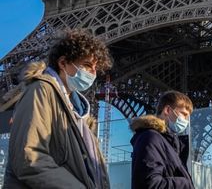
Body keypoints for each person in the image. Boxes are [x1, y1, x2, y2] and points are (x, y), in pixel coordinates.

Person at [4, 28, 112, 188]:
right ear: (63, 63)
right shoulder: (41, 90)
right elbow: (29, 156)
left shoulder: (80, 117)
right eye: (87, 65)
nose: (93, 73)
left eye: (96, 68)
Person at [131, 90, 194, 189]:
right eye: (184, 114)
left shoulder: (168, 142)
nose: (186, 121)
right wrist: (185, 183)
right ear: (167, 110)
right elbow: (149, 184)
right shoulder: (150, 137)